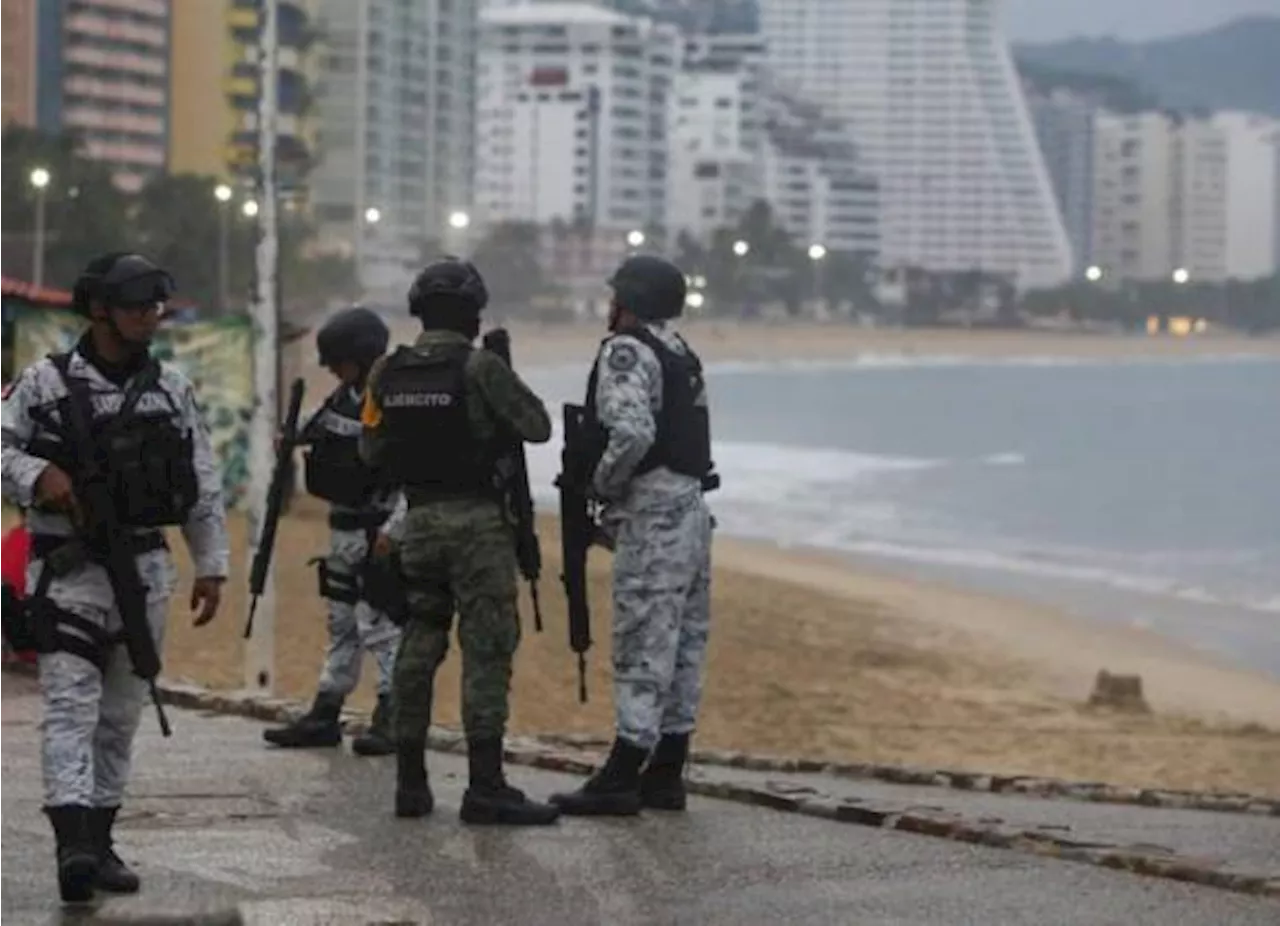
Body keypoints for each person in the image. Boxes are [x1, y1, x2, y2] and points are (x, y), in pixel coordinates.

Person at [0, 252, 228, 901]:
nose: (148, 316)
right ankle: (71, 844)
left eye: (154, 305)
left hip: (146, 569)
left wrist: (211, 566)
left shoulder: (171, 388)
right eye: (135, 305)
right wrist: (39, 477)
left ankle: (100, 839)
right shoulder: (45, 383)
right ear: (100, 309)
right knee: (70, 707)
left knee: (121, 714)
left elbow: (201, 483)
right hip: (68, 568)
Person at [359, 257, 560, 826]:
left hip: (417, 524)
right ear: (473, 314)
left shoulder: (385, 372)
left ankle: (411, 783)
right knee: (486, 651)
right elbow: (537, 426)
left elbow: (370, 453)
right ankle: (485, 786)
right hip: (477, 529)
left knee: (418, 645)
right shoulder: (479, 368)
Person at [550, 254, 716, 816]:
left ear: (629, 303)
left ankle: (624, 770)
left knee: (643, 640)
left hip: (652, 512)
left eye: (615, 296)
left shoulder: (627, 352)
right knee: (684, 643)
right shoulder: (680, 352)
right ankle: (666, 772)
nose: (609, 306)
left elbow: (633, 431)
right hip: (692, 511)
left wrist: (601, 484)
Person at [262, 306, 404, 757]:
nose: (333, 371)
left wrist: (395, 530)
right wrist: (290, 442)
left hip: (376, 532)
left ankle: (392, 713)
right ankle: (326, 711)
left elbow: (413, 473)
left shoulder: (391, 402)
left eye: (339, 361)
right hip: (342, 530)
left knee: (379, 625)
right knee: (341, 623)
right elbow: (314, 434)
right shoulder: (342, 399)